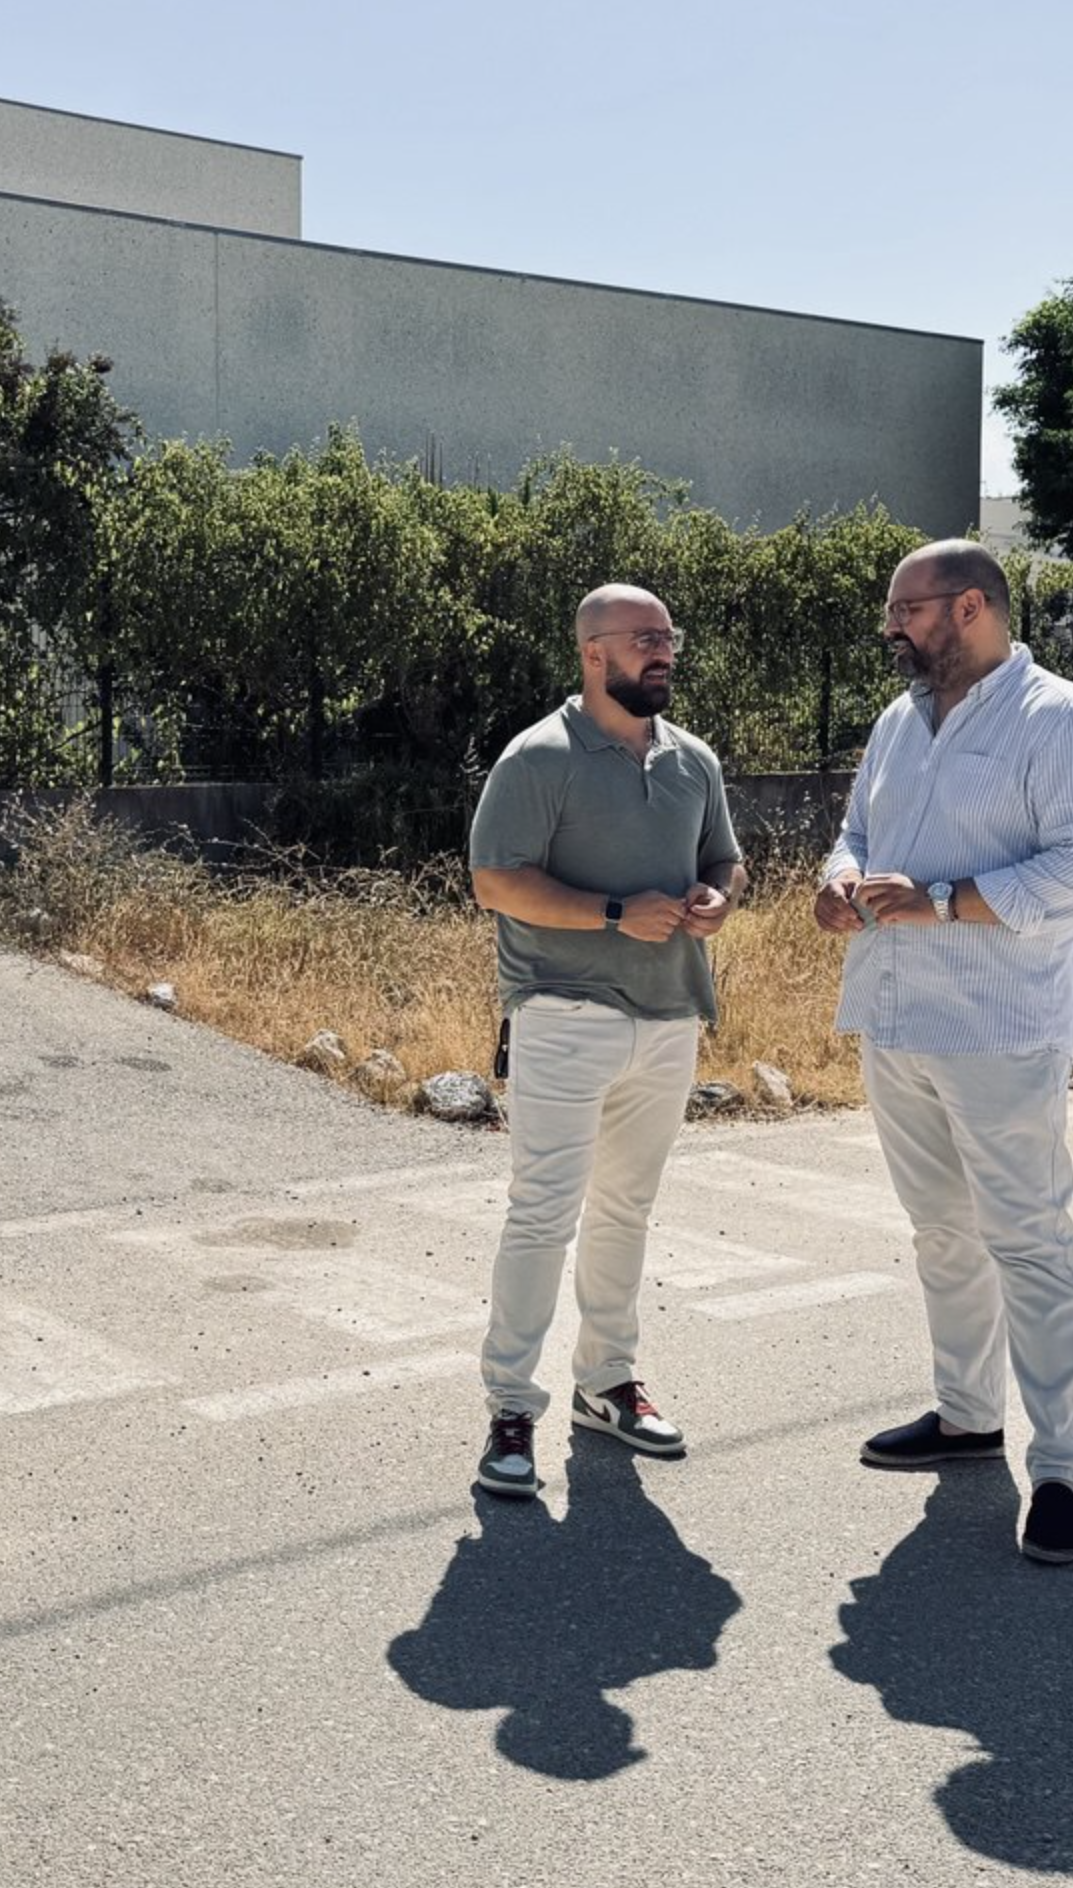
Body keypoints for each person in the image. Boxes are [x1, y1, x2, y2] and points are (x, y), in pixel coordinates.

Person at [813, 539, 1073, 1563]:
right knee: (941, 1233)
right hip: (896, 1017)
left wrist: (947, 900)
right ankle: (966, 1416)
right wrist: (838, 878)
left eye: (905, 609)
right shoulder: (898, 721)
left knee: (1028, 1242)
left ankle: (1064, 1471)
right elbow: (857, 830)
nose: (890, 627)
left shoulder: (1057, 718)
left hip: (999, 1028)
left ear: (969, 607)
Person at [466, 583, 747, 1497]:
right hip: (562, 1014)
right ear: (593, 653)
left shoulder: (693, 760)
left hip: (669, 1017)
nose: (663, 652)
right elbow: (496, 882)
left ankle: (608, 1384)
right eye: (644, 638)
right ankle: (511, 1410)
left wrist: (719, 896)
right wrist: (615, 913)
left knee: (626, 1211)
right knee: (543, 1215)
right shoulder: (537, 757)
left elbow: (725, 858)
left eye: (669, 637)